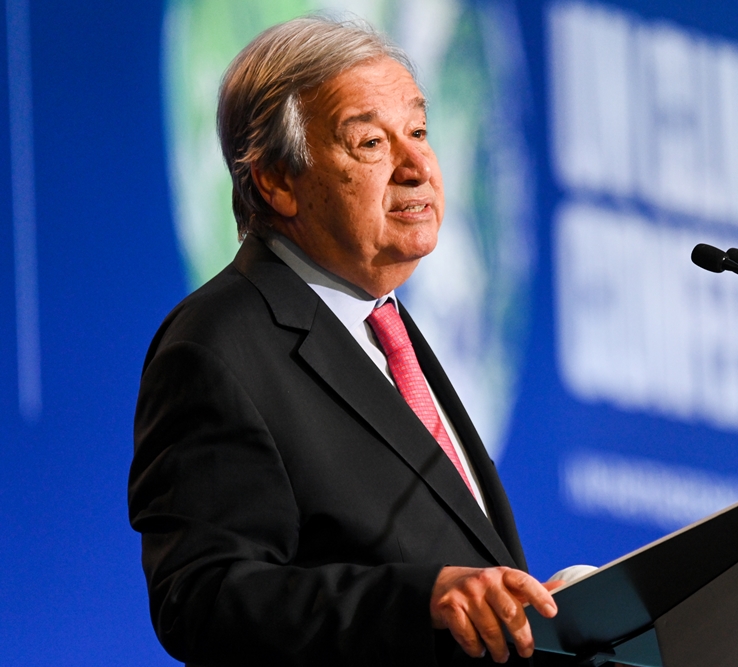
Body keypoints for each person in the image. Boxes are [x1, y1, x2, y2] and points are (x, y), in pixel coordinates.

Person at [128, 16, 561, 666]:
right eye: (370, 143)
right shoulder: (218, 342)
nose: (417, 164)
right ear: (277, 179)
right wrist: (420, 601)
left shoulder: (390, 331)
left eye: (418, 131)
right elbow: (204, 595)